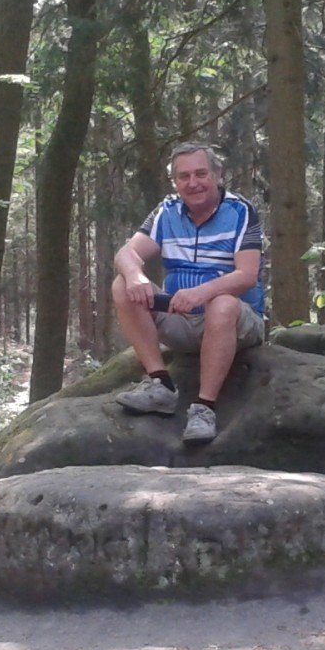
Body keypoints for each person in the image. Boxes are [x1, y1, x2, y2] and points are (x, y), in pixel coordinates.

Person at [110, 143, 266, 444]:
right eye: (184, 176)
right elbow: (126, 253)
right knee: (122, 285)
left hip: (235, 321)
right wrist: (135, 275)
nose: (193, 183)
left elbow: (247, 275)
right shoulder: (166, 211)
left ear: (217, 175)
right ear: (175, 181)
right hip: (180, 316)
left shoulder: (240, 211)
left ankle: (204, 408)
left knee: (221, 304)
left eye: (201, 173)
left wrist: (201, 293)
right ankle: (161, 385)